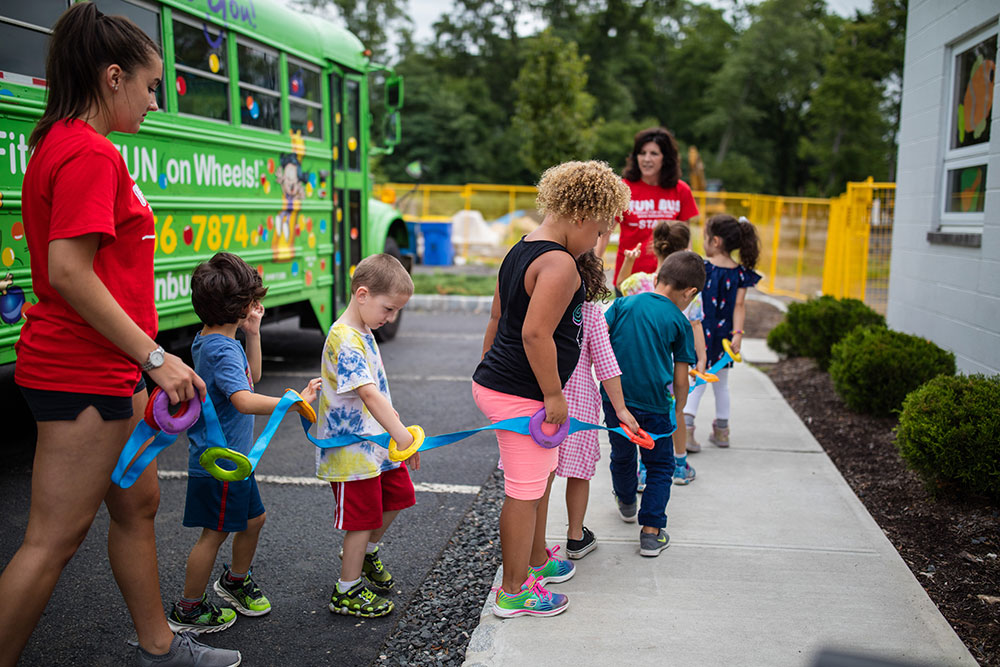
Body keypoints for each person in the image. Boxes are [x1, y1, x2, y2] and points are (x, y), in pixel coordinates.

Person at [0, 4, 241, 666]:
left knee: (137, 502)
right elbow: (70, 273)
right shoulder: (89, 153)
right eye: (149, 84)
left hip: (102, 370)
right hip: (84, 373)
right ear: (113, 77)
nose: (153, 101)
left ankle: (159, 647)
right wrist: (155, 355)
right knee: (51, 539)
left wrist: (145, 362)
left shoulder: (62, 144)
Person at [473, 160, 631, 617]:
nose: (598, 242)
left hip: (503, 383)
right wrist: (554, 395)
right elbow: (535, 334)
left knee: (535, 481)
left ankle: (533, 562)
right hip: (524, 392)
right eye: (600, 230)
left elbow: (498, 319)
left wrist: (488, 370)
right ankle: (514, 591)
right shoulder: (561, 264)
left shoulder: (521, 248)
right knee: (524, 491)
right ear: (581, 216)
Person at [169, 253, 320, 633]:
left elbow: (251, 376)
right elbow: (244, 399)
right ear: (240, 307)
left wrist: (252, 332)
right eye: (252, 301)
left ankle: (235, 580)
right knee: (214, 534)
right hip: (220, 464)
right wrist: (293, 403)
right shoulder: (220, 350)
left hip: (233, 462)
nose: (257, 306)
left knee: (254, 519)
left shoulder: (213, 339)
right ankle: (188, 609)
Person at [318, 253, 420, 618]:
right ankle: (346, 591)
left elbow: (379, 391)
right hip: (351, 450)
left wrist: (399, 433)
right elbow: (367, 393)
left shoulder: (363, 331)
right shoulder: (345, 339)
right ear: (362, 295)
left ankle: (365, 554)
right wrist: (402, 436)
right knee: (361, 518)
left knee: (398, 495)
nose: (389, 318)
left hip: (376, 443)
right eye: (388, 309)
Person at [602, 251, 704, 557]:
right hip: (656, 405)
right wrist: (678, 410)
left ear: (657, 278)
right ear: (690, 293)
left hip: (615, 399)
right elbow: (681, 377)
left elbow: (599, 341)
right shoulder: (679, 321)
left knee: (621, 455)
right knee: (660, 466)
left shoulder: (622, 304)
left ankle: (626, 501)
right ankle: (651, 532)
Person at [556, 250, 639, 560]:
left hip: (539, 405)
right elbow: (606, 365)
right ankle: (576, 536)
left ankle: (533, 542)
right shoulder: (590, 314)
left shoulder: (539, 308)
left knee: (541, 474)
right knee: (579, 474)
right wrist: (621, 410)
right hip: (579, 409)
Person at [617, 221, 707, 483]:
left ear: (653, 247)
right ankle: (679, 465)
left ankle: (644, 469)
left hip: (639, 368)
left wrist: (627, 262)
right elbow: (696, 324)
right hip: (673, 368)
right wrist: (701, 359)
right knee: (675, 412)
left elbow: (620, 288)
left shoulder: (638, 283)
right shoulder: (691, 293)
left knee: (641, 417)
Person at [683, 214, 761, 448]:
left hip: (701, 334)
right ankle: (723, 431)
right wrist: (738, 334)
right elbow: (739, 305)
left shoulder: (702, 268)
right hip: (726, 337)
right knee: (722, 383)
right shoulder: (741, 273)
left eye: (705, 237)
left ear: (715, 241)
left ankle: (686, 429)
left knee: (699, 377)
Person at [595, 127, 699, 287]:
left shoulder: (681, 190)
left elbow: (686, 238)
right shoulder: (623, 189)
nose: (646, 159)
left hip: (668, 280)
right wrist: (593, 267)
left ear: (666, 158)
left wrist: (688, 273)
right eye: (642, 153)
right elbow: (604, 232)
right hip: (628, 279)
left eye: (654, 153)